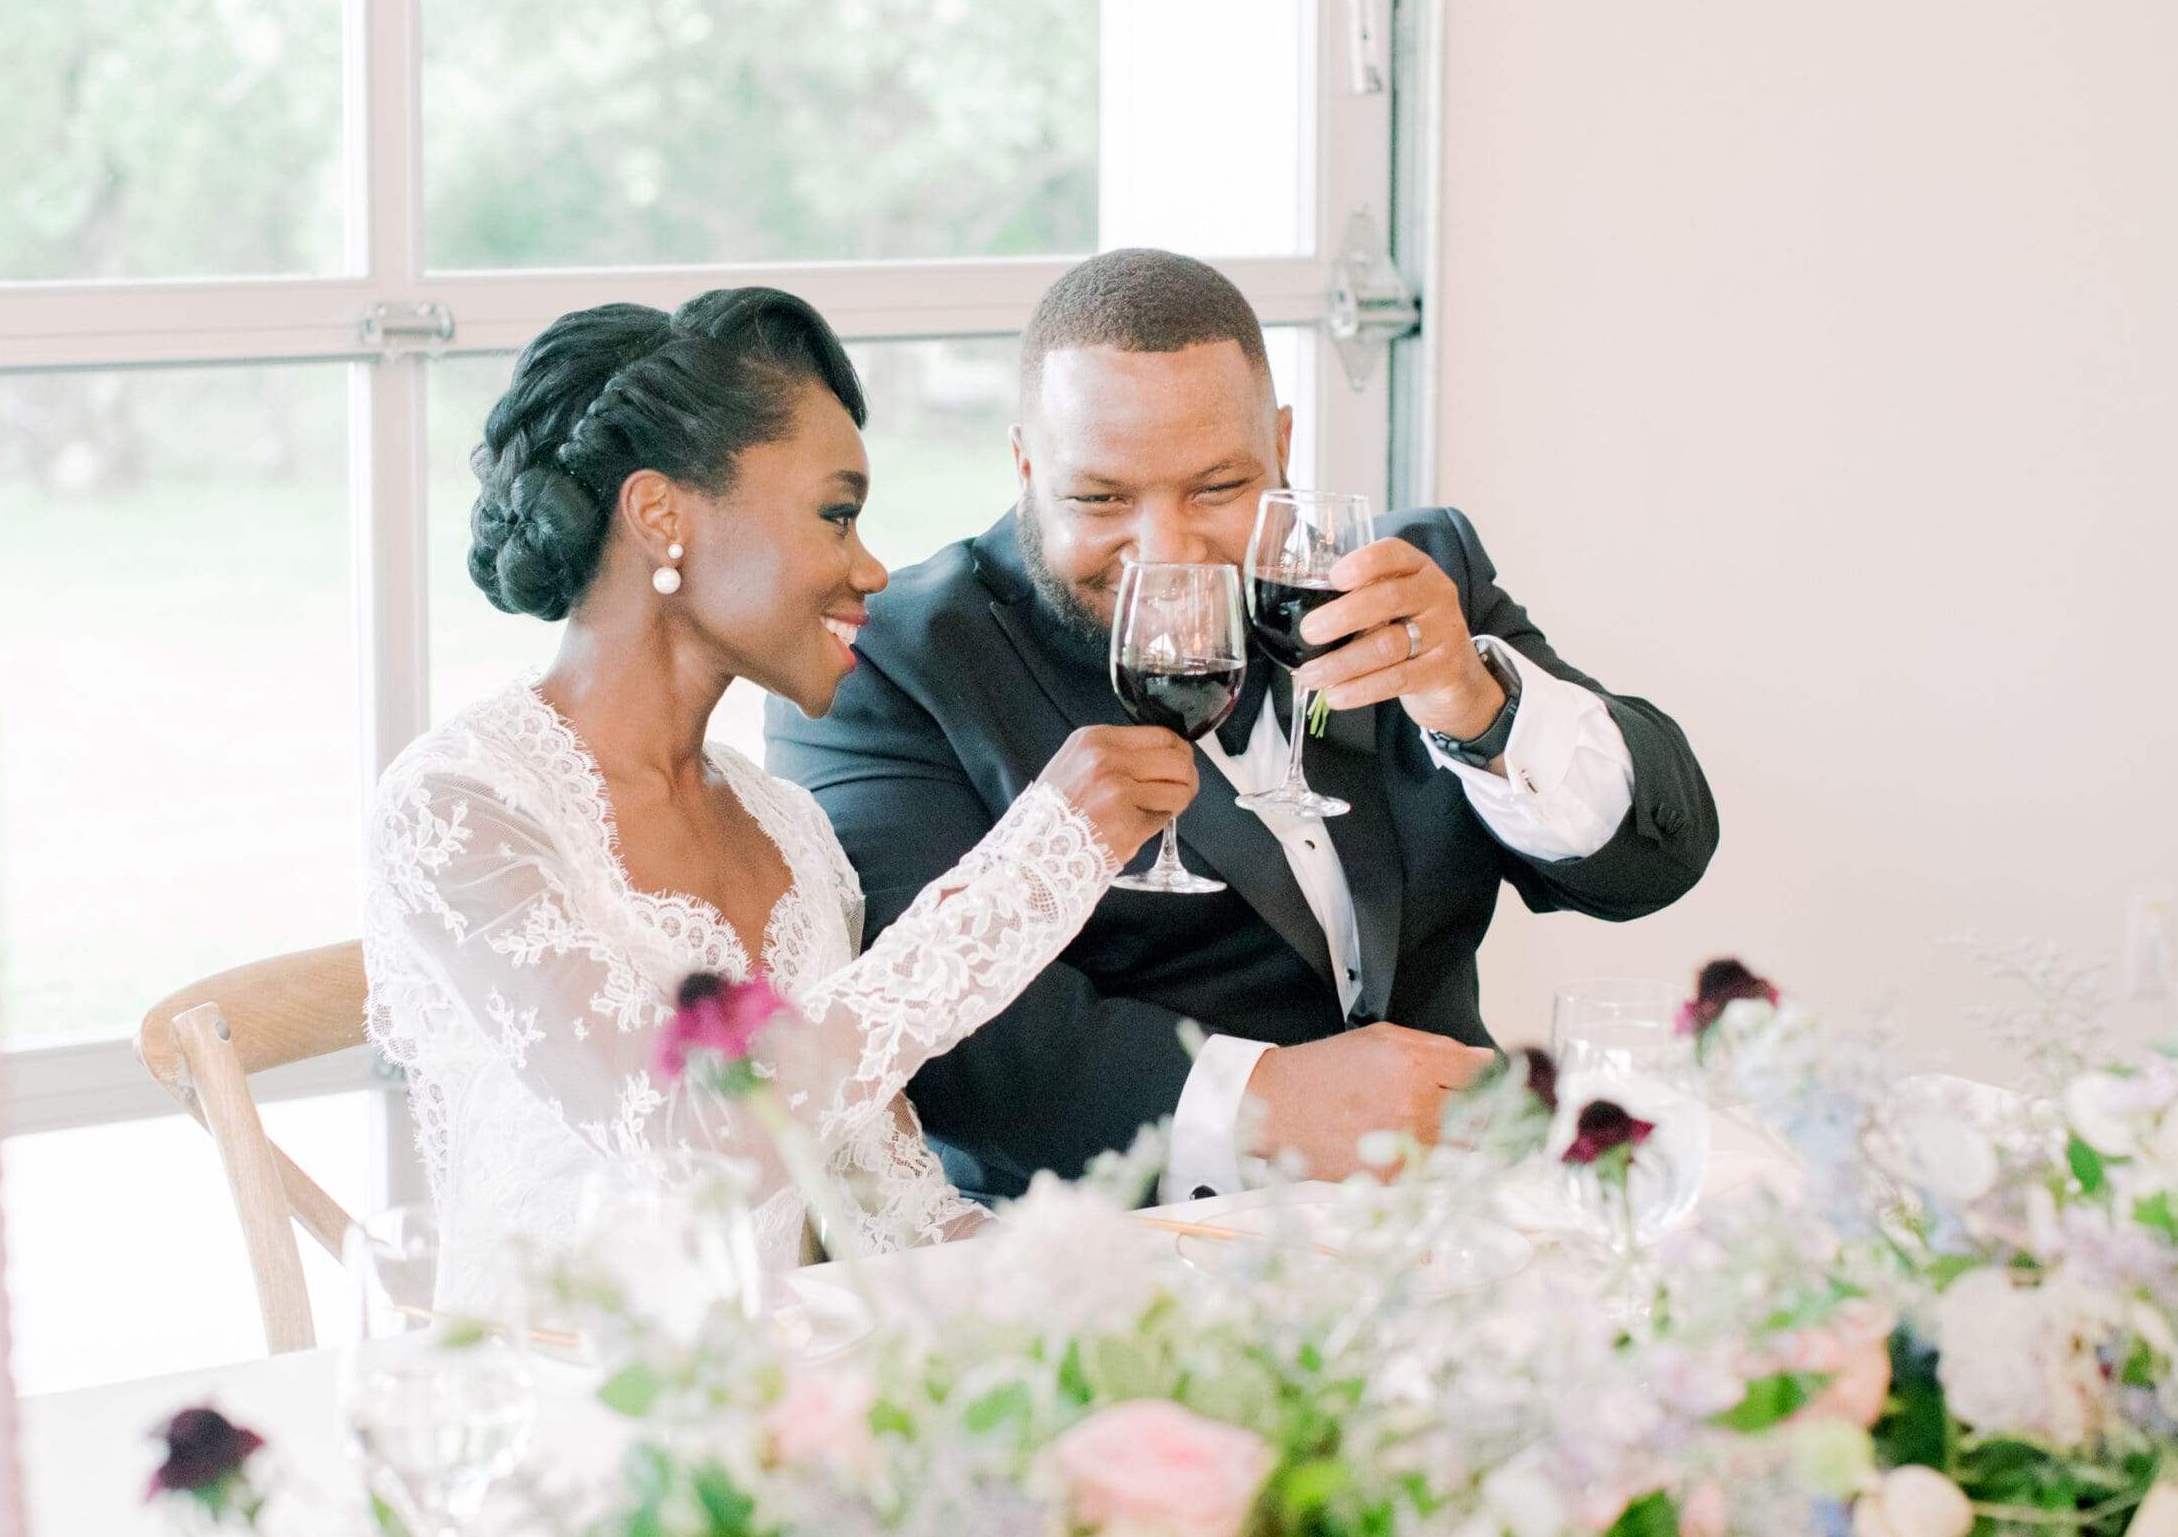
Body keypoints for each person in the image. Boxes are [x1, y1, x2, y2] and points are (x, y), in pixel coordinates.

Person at [768, 249, 1719, 1203]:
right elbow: (934, 1043)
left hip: (1461, 1214)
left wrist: (1480, 703)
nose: (1168, 553)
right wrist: (1267, 1107)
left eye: (1217, 490)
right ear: (1024, 464)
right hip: (1122, 1259)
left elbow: (1652, 861)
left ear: (1283, 447)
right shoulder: (891, 660)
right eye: (1101, 499)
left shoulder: (1408, 577)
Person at [363, 287, 1197, 1276]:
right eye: (835, 515)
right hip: (553, 1405)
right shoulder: (460, 810)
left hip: (783, 1400)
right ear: (660, 514)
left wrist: (1135, 1273)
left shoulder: (791, 832)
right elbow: (690, 1143)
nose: (873, 568)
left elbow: (899, 1218)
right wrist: (1029, 872)